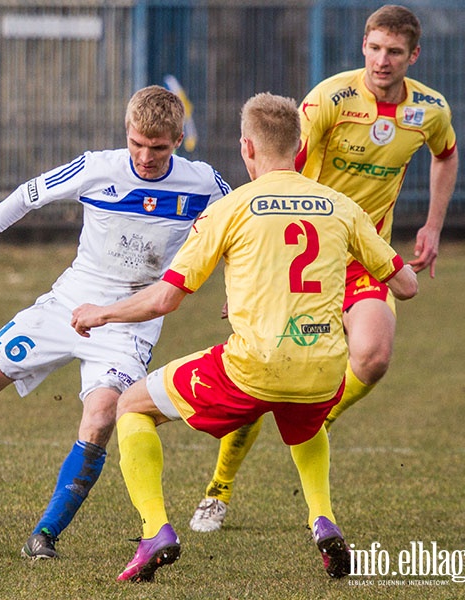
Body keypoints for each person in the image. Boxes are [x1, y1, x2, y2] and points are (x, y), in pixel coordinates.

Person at [0, 85, 231, 560]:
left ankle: (45, 535)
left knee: (100, 420)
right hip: (69, 302)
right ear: (127, 132)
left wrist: (235, 293)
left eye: (158, 147)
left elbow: (241, 230)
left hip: (129, 323)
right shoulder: (99, 167)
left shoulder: (204, 183)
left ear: (178, 139)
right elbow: (26, 196)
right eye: (137, 143)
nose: (145, 156)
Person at [71, 92, 418, 582]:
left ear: (247, 149)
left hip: (253, 367)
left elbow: (165, 299)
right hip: (324, 370)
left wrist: (101, 312)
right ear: (300, 148)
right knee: (305, 417)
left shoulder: (230, 208)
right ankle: (322, 520)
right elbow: (407, 286)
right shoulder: (342, 207)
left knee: (131, 406)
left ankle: (155, 531)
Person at [189, 3, 458, 533]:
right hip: (304, 255)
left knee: (375, 356)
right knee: (261, 379)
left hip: (367, 255)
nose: (383, 61)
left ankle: (316, 420)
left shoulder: (430, 109)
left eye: (395, 52)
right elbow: (280, 176)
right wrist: (252, 271)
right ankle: (217, 490)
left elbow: (445, 155)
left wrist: (432, 224)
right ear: (364, 46)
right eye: (375, 48)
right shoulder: (330, 100)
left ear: (413, 55)